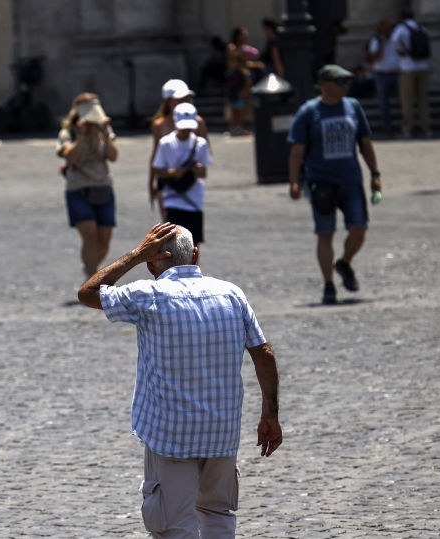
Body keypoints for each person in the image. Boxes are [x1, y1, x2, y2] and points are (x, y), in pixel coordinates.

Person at [77, 222, 282, 539]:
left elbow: (88, 292)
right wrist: (270, 412)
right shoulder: (231, 294)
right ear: (195, 256)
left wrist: (133, 255)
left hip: (171, 436)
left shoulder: (149, 295)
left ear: (150, 263)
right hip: (221, 434)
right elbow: (264, 353)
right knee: (217, 515)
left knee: (174, 525)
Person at [288, 64, 382, 305]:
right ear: (326, 84)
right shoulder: (309, 111)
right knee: (325, 233)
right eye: (341, 82)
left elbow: (365, 142)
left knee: (359, 228)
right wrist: (294, 181)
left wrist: (375, 173)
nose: (345, 86)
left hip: (351, 180)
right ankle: (329, 284)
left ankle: (344, 263)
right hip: (322, 183)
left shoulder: (353, 107)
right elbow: (297, 150)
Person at [57, 93, 118, 278]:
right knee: (90, 236)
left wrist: (106, 134)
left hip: (103, 186)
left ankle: (89, 269)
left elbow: (113, 156)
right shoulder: (68, 133)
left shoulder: (103, 131)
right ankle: (92, 280)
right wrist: (82, 136)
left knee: (104, 241)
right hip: (78, 188)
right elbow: (69, 156)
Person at [152, 103, 213, 244]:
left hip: (194, 200)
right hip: (173, 199)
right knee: (174, 243)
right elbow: (157, 169)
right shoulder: (166, 143)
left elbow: (204, 174)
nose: (186, 130)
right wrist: (173, 172)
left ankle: (192, 266)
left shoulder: (200, 143)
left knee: (193, 244)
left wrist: (198, 170)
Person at [148, 79, 210, 219]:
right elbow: (155, 156)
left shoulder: (197, 122)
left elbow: (205, 151)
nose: (185, 101)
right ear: (169, 101)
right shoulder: (159, 124)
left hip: (190, 179)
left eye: (187, 98)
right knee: (169, 227)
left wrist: (194, 164)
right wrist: (151, 183)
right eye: (180, 99)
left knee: (192, 231)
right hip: (166, 178)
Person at [391, 9, 432, 138]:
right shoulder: (422, 28)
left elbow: (394, 41)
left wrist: (401, 51)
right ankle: (426, 129)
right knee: (423, 99)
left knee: (407, 99)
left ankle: (407, 128)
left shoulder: (401, 28)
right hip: (423, 66)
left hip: (408, 66)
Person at [366, 18, 401, 136]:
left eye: (388, 28)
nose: (386, 31)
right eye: (383, 28)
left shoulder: (396, 38)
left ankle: (403, 126)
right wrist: (381, 43)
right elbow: (375, 57)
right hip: (381, 74)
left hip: (396, 73)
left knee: (402, 101)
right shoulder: (376, 41)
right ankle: (388, 127)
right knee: (383, 103)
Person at [224, 26, 261, 136]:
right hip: (234, 79)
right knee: (235, 103)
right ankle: (233, 127)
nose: (245, 37)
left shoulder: (241, 48)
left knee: (241, 103)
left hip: (241, 79)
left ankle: (239, 126)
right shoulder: (232, 47)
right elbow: (235, 62)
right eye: (243, 34)